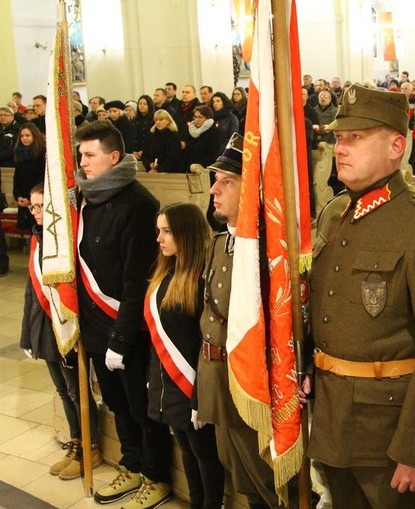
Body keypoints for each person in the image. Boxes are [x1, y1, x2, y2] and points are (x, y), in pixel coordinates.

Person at [308, 83, 415, 508]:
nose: (340, 148)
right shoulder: (333, 213)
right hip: (332, 418)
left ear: (397, 146)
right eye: (339, 138)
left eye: (356, 138)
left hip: (390, 431)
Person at [196, 133, 300, 508]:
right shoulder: (218, 243)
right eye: (214, 181)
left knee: (267, 479)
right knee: (239, 473)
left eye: (227, 181)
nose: (214, 191)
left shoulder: (268, 254)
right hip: (219, 379)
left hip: (253, 383)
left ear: (252, 189)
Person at [74, 120, 173, 508]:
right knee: (117, 404)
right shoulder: (85, 200)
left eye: (89, 155)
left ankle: (156, 476)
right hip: (96, 327)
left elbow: (138, 281)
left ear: (113, 157)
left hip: (127, 331)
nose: (82, 163)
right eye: (80, 155)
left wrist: (120, 338)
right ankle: (132, 465)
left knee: (141, 408)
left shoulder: (138, 203)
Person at [144, 202, 225, 509]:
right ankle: (196, 502)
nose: (159, 238)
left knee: (205, 455)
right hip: (168, 384)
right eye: (159, 231)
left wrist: (198, 396)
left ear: (186, 234)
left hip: (193, 384)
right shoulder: (165, 274)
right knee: (187, 451)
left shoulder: (199, 280)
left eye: (167, 232)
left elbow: (200, 341)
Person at [20, 182, 102, 480]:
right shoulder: (36, 238)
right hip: (43, 326)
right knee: (61, 390)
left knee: (74, 389)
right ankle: (76, 441)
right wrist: (26, 336)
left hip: (63, 325)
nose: (37, 212)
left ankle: (90, 446)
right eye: (32, 206)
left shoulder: (61, 242)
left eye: (42, 206)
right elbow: (32, 289)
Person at [13, 122, 46, 232]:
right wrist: (18, 196)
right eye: (22, 136)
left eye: (27, 135)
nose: (24, 138)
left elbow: (41, 178)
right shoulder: (19, 153)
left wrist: (30, 198)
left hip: (36, 198)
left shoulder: (41, 153)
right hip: (23, 198)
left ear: (34, 136)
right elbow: (17, 177)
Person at [183, 105, 220, 172]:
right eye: (195, 117)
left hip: (205, 170)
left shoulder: (213, 132)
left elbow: (212, 154)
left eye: (200, 117)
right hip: (190, 168)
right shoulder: (190, 130)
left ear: (207, 119)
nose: (196, 120)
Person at [133, 95, 155, 161]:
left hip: (149, 151)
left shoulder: (154, 120)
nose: (142, 106)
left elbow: (152, 138)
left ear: (149, 105)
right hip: (135, 152)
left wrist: (143, 151)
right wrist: (133, 150)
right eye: (140, 103)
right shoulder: (134, 120)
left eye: (145, 104)